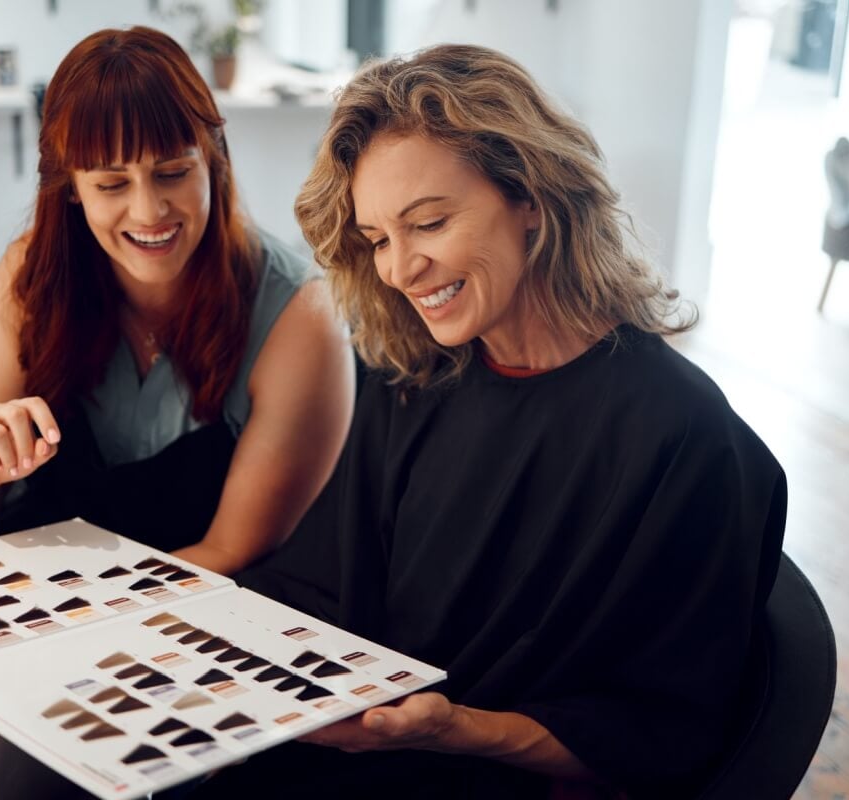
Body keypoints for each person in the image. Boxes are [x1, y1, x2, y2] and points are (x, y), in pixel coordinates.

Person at [185, 44, 787, 799]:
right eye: (378, 240)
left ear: (530, 198)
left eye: (428, 223)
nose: (400, 269)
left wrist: (456, 727)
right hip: (348, 763)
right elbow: (320, 586)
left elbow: (655, 738)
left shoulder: (686, 440)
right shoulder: (409, 381)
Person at [0, 26, 354, 577]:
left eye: (171, 173)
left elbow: (226, 554)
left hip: (198, 623)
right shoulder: (33, 273)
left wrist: (53, 610)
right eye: (112, 184)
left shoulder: (300, 316)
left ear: (213, 160)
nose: (148, 212)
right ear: (70, 186)